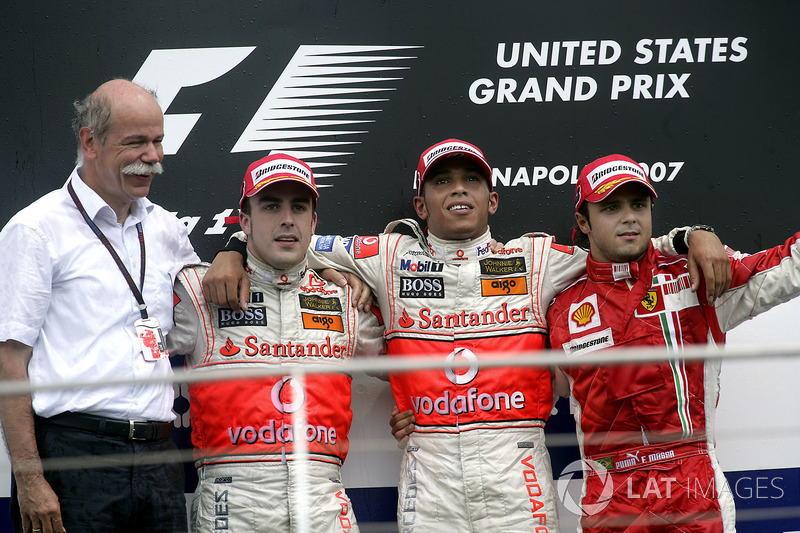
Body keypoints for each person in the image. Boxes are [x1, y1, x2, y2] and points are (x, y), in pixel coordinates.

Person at [204, 139, 729, 532]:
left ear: (493, 200)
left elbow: (617, 246)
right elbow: (297, 245)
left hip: (517, 472)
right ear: (419, 203)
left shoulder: (534, 257)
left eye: (470, 180)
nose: (457, 188)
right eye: (442, 181)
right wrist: (231, 245)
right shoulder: (388, 258)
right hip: (429, 479)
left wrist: (689, 235)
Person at [545, 154, 800, 532]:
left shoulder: (696, 275)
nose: (629, 217)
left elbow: (787, 267)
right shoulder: (561, 307)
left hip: (693, 490)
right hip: (611, 497)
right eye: (611, 207)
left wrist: (692, 237)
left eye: (639, 204)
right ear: (583, 222)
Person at [0, 79, 196, 533]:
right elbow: (9, 364)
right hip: (72, 458)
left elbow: (211, 301)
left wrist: (237, 250)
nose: (154, 156)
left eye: (158, 141)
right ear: (89, 141)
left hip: (160, 459)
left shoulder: (167, 229)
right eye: (136, 142)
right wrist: (29, 479)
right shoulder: (35, 230)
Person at [167, 153, 385, 532]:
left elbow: (417, 358)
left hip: (324, 505)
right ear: (245, 221)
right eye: (271, 206)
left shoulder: (345, 298)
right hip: (230, 508)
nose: (287, 218)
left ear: (313, 222)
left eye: (299, 207)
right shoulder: (199, 290)